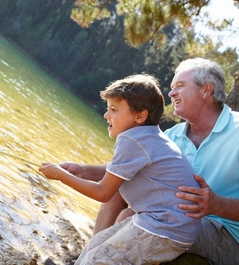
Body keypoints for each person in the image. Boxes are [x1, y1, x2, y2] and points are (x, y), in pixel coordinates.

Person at [59, 57, 239, 264]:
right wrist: (82, 170)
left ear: (206, 90)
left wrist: (218, 205)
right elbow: (125, 168)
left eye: (180, 86)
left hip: (226, 234)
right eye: (171, 87)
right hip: (183, 219)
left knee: (131, 217)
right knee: (121, 190)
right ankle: (87, 257)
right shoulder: (172, 135)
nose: (171, 93)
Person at [40, 74, 201, 264]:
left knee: (98, 259)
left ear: (140, 116)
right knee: (95, 245)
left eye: (114, 110)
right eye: (108, 108)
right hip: (172, 226)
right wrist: (81, 170)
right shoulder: (149, 136)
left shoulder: (131, 140)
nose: (106, 114)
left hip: (163, 229)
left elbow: (102, 192)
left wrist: (60, 176)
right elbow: (119, 170)